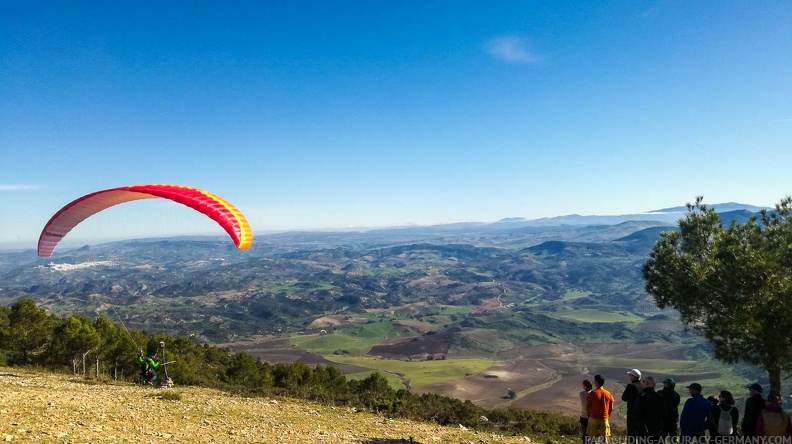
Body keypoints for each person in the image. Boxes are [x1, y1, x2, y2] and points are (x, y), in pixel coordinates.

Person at [586, 374, 615, 444]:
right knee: (604, 439)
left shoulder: (592, 394)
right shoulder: (608, 394)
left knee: (592, 438)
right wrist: (607, 416)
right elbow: (611, 408)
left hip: (593, 418)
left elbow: (587, 406)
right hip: (604, 418)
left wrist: (588, 415)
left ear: (596, 382)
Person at [637, 376, 666, 443]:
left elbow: (636, 413)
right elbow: (664, 413)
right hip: (658, 429)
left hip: (644, 429)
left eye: (643, 381)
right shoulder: (660, 397)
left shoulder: (641, 397)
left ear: (647, 383)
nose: (643, 383)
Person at [623, 368, 644, 438]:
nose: (629, 377)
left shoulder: (630, 386)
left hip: (631, 412)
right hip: (642, 413)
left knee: (631, 433)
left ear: (634, 377)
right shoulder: (644, 386)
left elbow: (624, 398)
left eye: (630, 375)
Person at [580, 379, 593, 444]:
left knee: (584, 434)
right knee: (592, 434)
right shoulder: (593, 394)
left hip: (583, 416)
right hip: (592, 416)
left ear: (585, 386)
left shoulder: (581, 394)